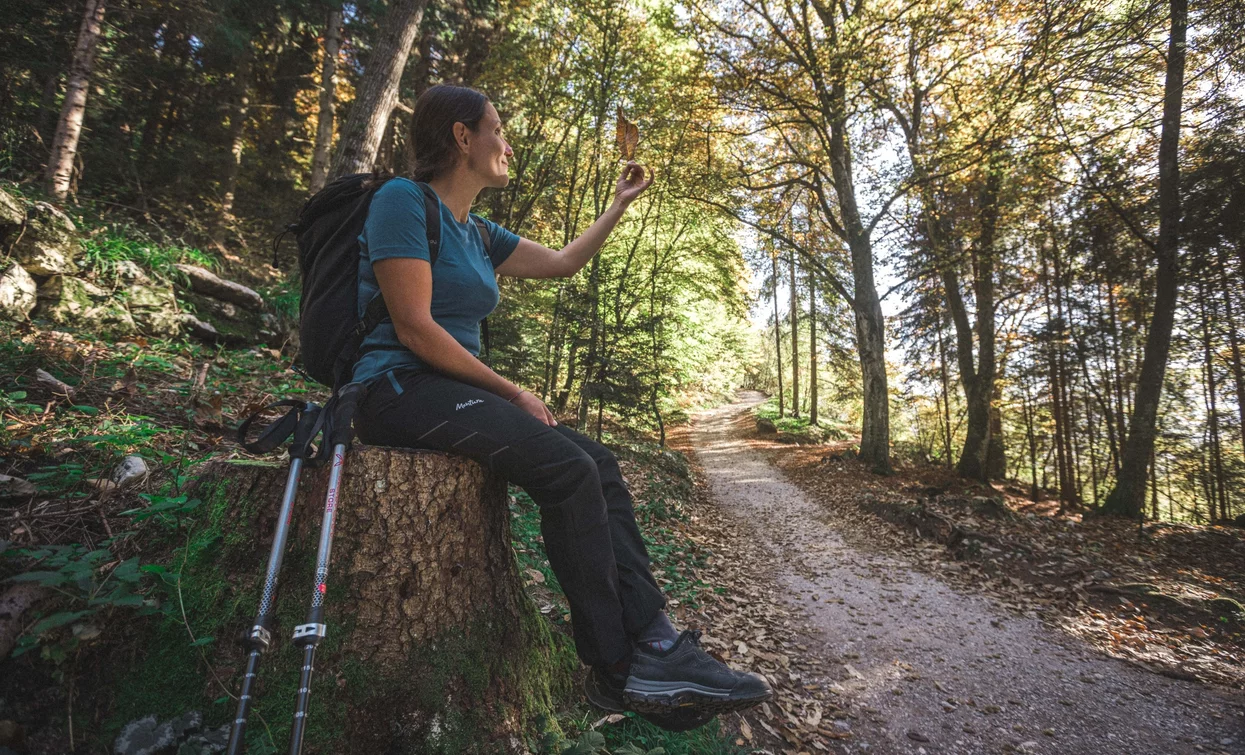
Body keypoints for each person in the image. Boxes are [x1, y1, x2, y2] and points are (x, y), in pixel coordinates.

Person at [351, 83, 771, 718]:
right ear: (463, 137)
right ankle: (616, 666)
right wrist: (512, 388)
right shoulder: (401, 202)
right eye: (498, 129)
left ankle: (657, 640)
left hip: (450, 392)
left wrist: (620, 204)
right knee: (567, 469)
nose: (509, 143)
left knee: (597, 462)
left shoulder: (477, 232)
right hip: (395, 387)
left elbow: (565, 262)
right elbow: (414, 327)